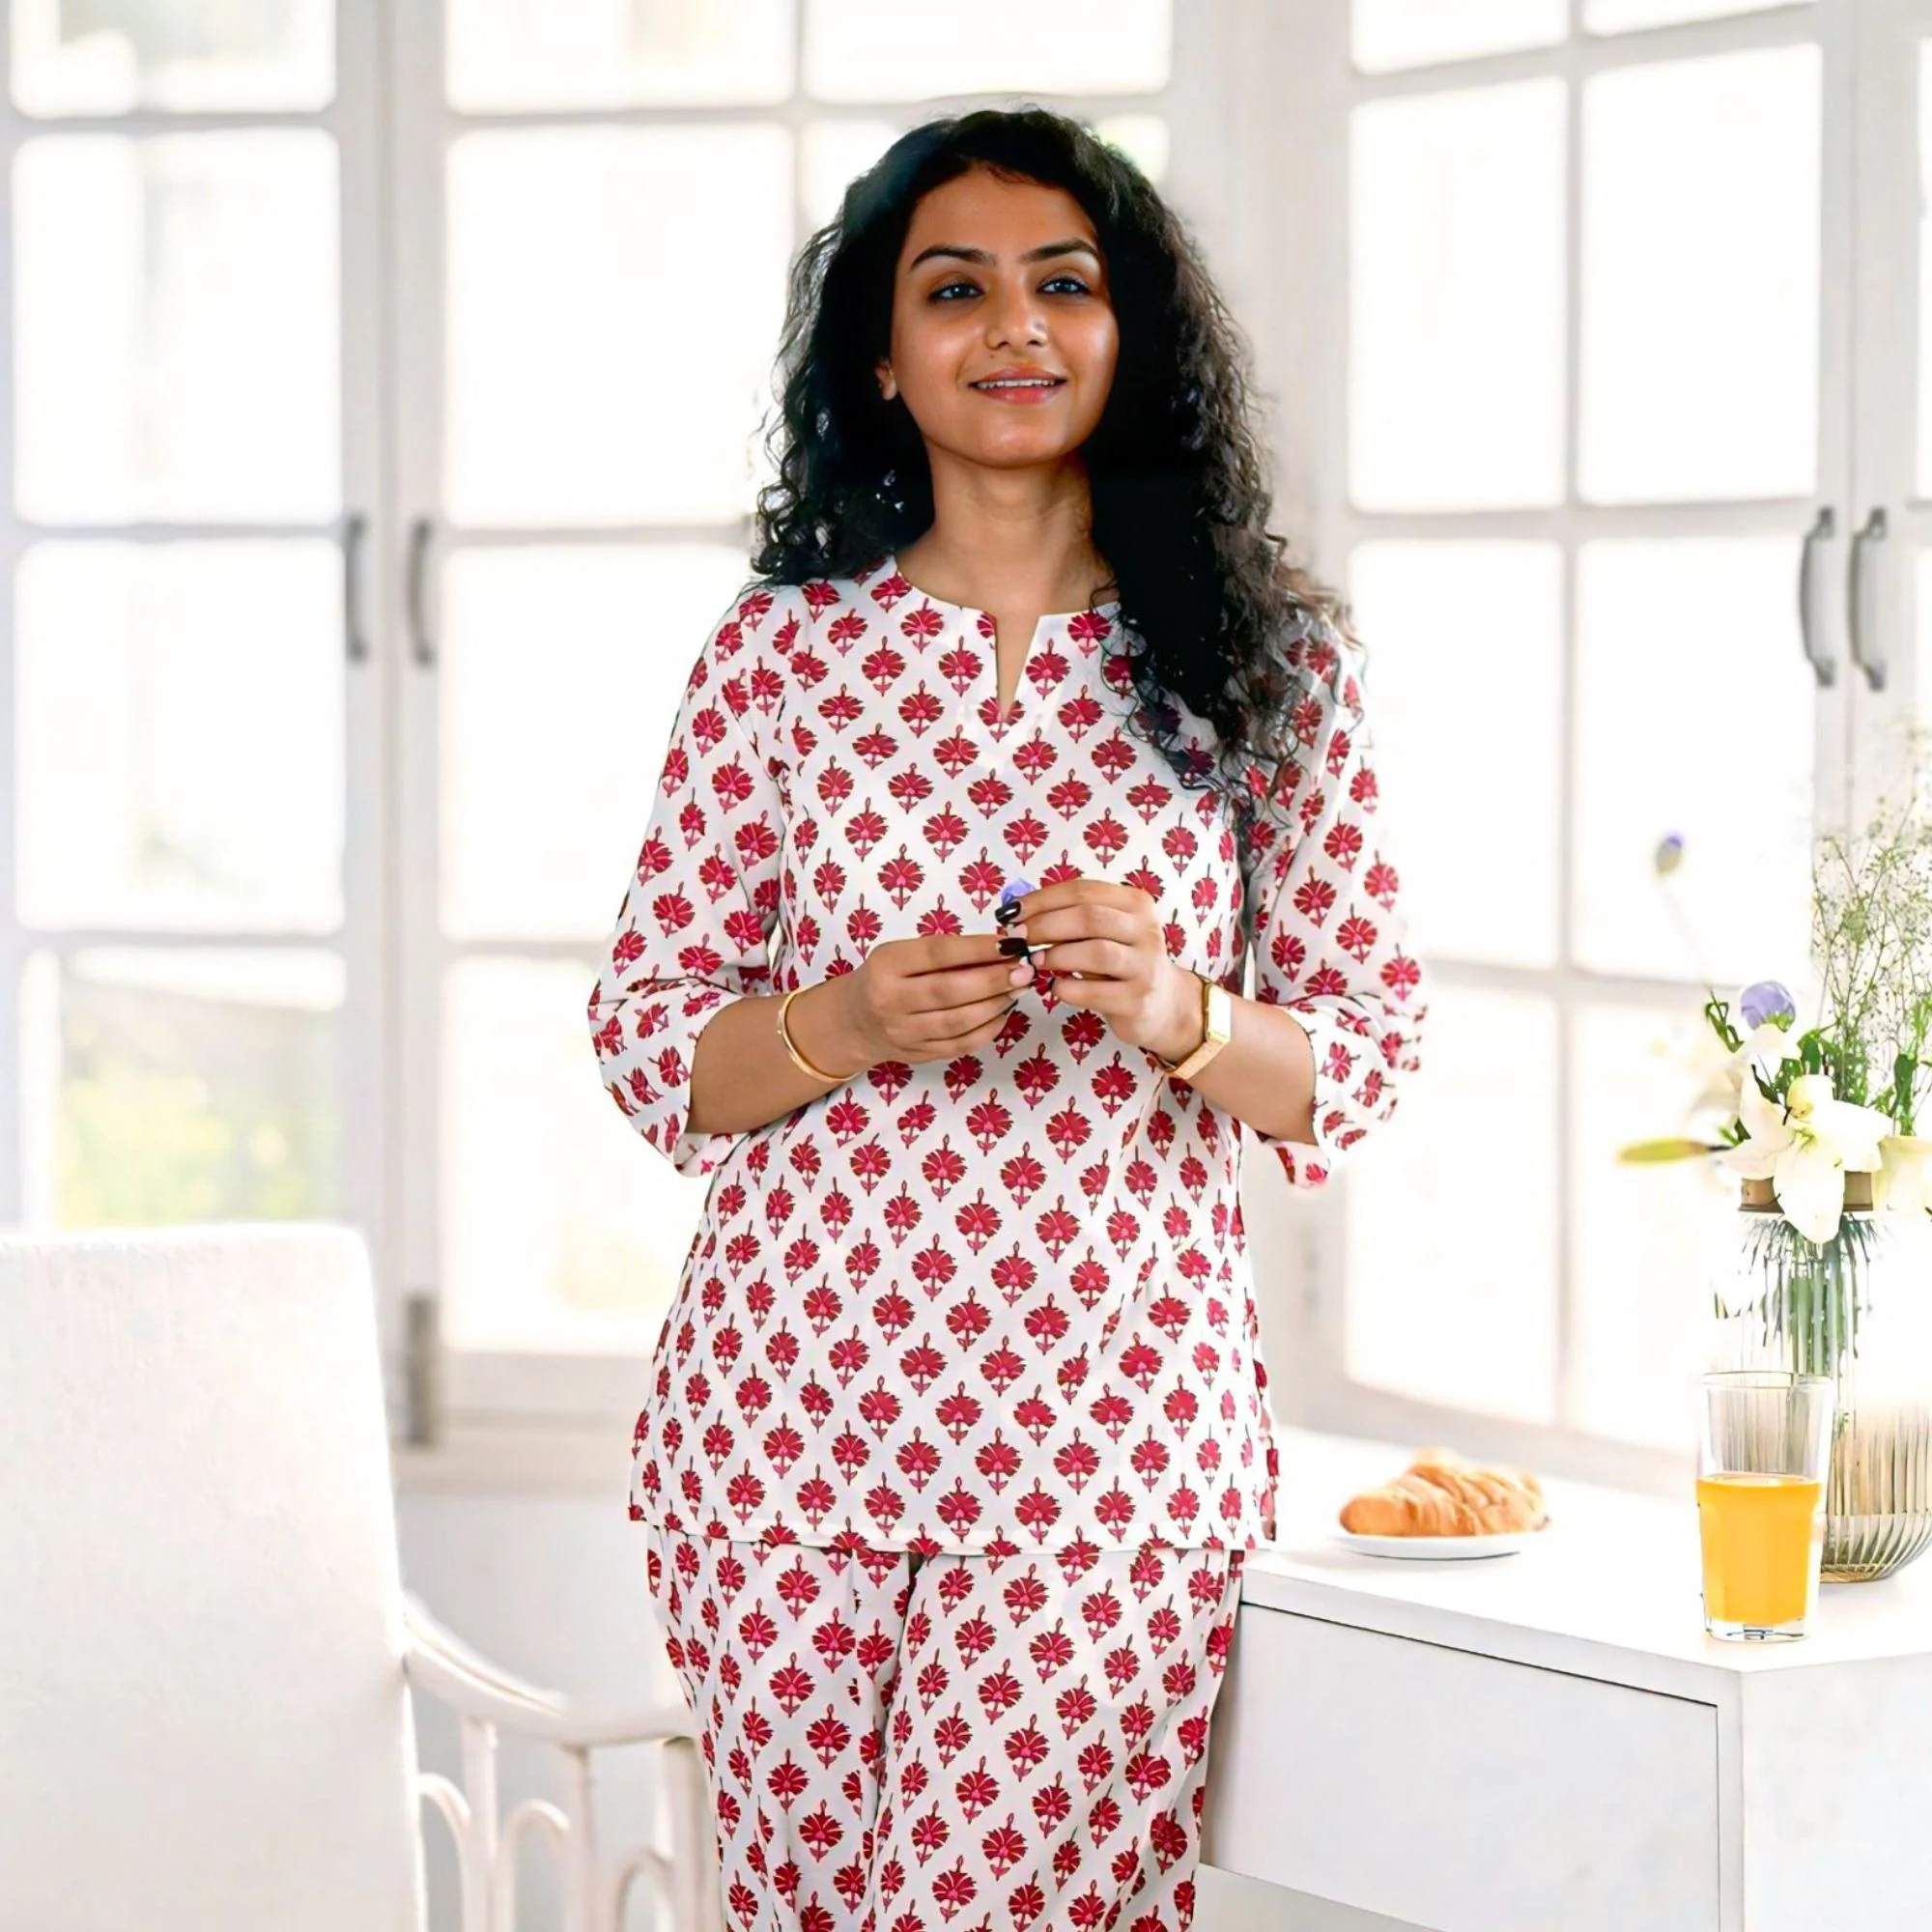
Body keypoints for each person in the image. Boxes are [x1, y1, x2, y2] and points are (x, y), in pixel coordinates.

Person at [587, 104, 1430, 1932]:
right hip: (781, 1431)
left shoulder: (1270, 668)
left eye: (1065, 283)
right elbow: (652, 1035)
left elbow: (1360, 1052)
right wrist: (842, 1022)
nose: (1017, 326)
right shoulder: (778, 655)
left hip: (1109, 1448)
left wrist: (1182, 1009)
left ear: (1132, 336)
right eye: (955, 289)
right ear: (882, 360)